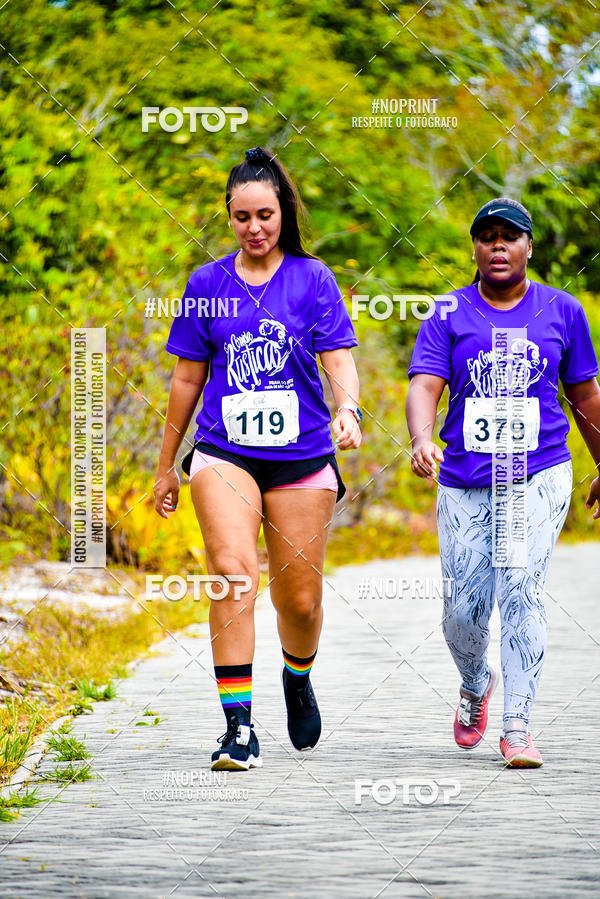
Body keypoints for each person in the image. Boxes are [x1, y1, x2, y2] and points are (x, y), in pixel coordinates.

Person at [154, 146, 361, 771]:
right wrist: (168, 463)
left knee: (298, 603)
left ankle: (297, 677)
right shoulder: (205, 285)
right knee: (232, 574)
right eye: (242, 216)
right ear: (228, 216)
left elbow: (339, 357)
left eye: (265, 215)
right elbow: (187, 380)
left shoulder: (312, 278)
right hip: (224, 452)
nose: (255, 228)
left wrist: (347, 409)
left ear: (282, 213)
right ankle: (238, 727)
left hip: (301, 457)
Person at [406, 197, 600, 767]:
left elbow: (585, 396)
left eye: (509, 237)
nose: (498, 245)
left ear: (528, 247)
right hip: (465, 475)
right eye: (487, 236)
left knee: (520, 588)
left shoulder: (562, 311)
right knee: (463, 609)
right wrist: (422, 438)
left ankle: (518, 724)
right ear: (474, 247)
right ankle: (475, 680)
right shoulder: (447, 312)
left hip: (537, 472)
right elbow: (424, 384)